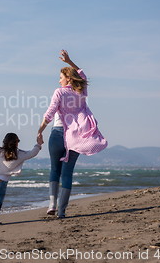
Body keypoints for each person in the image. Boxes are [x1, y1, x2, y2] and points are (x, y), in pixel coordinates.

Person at [37, 50, 107, 218]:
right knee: (67, 173)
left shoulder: (59, 92)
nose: (59, 79)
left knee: (55, 170)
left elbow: (49, 113)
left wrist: (40, 130)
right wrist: (70, 62)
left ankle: (52, 205)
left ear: (68, 78)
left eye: (61, 77)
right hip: (76, 137)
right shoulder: (81, 92)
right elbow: (83, 76)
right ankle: (61, 211)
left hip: (57, 134)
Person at [0, 133, 43, 226]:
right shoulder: (20, 154)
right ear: (17, 143)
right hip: (0, 182)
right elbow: (33, 152)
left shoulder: (1, 151)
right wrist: (39, 144)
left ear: (5, 142)